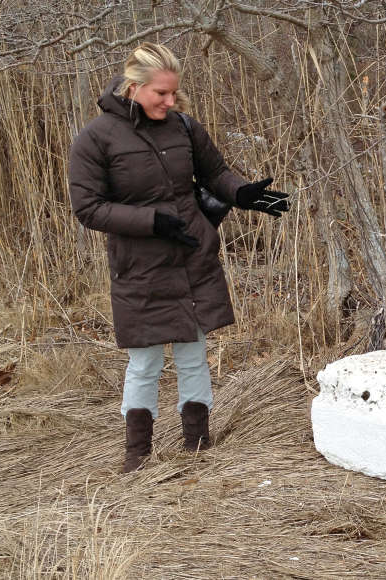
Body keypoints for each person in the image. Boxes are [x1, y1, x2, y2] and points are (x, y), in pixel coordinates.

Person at [68, 43, 289, 473]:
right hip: (140, 267)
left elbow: (215, 174)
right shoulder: (95, 138)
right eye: (161, 94)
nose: (171, 103)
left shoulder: (184, 127)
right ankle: (137, 456)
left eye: (174, 94)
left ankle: (198, 445)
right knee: (145, 361)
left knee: (193, 352)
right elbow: (88, 208)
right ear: (134, 88)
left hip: (192, 258)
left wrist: (243, 194)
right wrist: (153, 221)